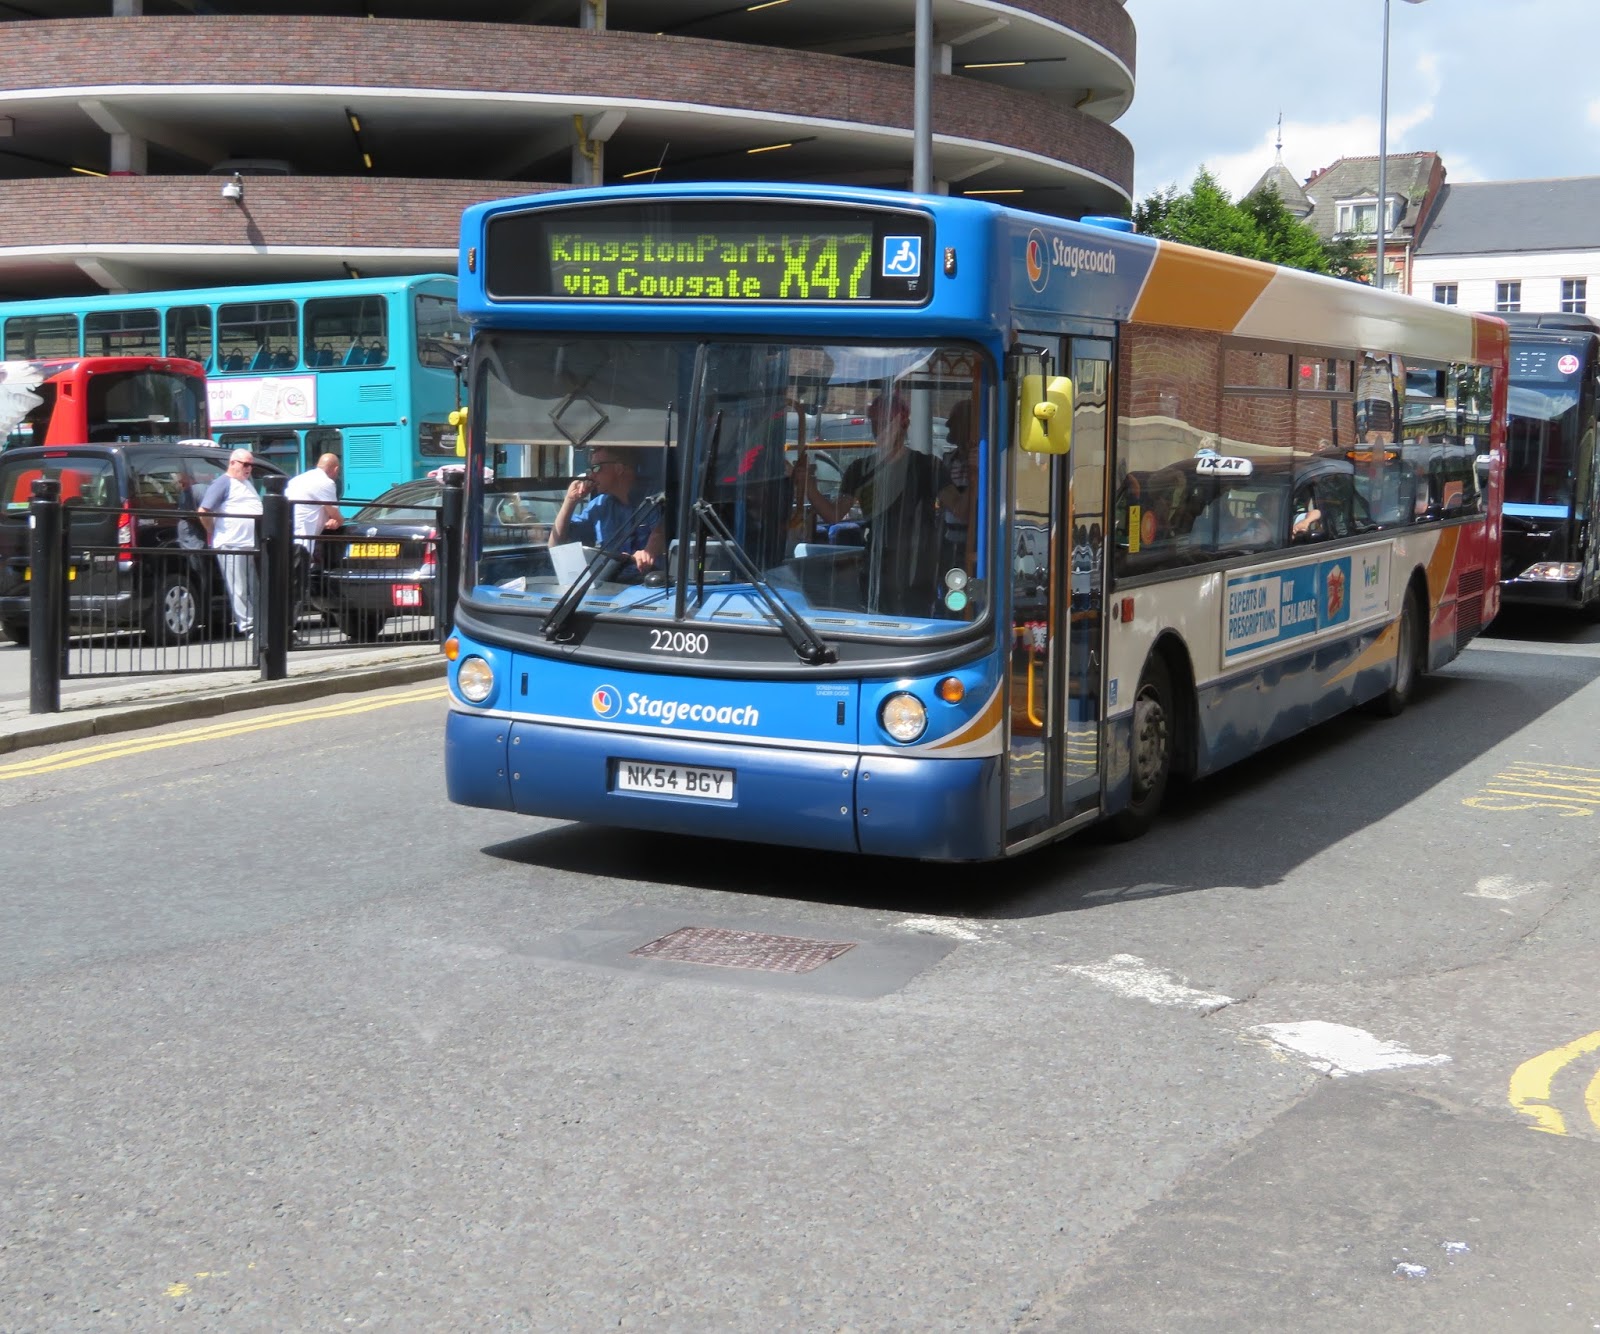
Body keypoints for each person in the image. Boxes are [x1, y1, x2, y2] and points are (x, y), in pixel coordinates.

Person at [801, 390, 961, 615]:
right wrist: (808, 486)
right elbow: (834, 515)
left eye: (887, 422)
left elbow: (958, 508)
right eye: (875, 423)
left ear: (903, 425)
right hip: (877, 568)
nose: (880, 429)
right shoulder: (859, 470)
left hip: (917, 570)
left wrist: (976, 475)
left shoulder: (927, 466)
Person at [550, 447, 663, 573]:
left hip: (650, 583)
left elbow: (660, 533)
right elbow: (556, 546)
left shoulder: (654, 497)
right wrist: (570, 501)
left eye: (596, 468)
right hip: (610, 582)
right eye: (590, 469)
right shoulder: (600, 505)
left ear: (619, 468)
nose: (591, 475)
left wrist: (648, 552)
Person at [198, 447, 262, 638]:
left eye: (251, 465)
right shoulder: (224, 482)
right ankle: (248, 626)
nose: (249, 468)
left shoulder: (247, 483)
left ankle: (258, 623)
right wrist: (213, 530)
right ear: (233, 463)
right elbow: (204, 510)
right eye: (245, 464)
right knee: (239, 588)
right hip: (231, 544)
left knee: (252, 586)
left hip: (251, 544)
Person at [284, 453, 342, 615]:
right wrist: (335, 520)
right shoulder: (325, 482)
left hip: (287, 538)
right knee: (296, 589)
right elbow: (336, 515)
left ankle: (283, 630)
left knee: (285, 588)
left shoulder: (299, 479)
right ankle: (288, 632)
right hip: (301, 543)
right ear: (335, 469)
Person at [941, 398, 977, 568]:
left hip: (978, 544)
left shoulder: (988, 463)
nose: (947, 424)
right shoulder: (947, 462)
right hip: (951, 544)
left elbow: (965, 512)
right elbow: (958, 510)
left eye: (954, 420)